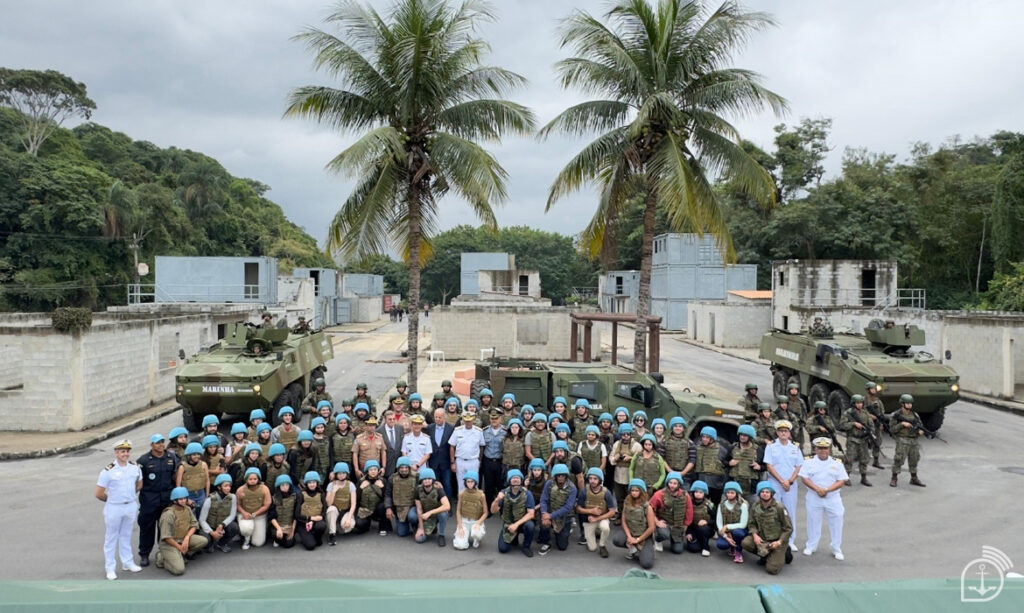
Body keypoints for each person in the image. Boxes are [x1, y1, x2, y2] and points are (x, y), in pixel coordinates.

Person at [96, 439, 143, 579]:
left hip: (130, 505)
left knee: (126, 535)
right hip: (114, 507)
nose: (125, 454)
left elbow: (139, 484)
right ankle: (110, 568)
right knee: (111, 538)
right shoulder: (108, 471)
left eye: (127, 451)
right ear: (116, 453)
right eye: (122, 451)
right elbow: (98, 493)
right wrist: (112, 500)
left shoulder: (135, 467)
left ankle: (127, 562)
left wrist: (128, 496)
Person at [800, 438, 848, 560]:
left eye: (825, 448)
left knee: (837, 522)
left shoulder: (837, 463)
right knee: (813, 521)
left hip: (832, 497)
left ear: (829, 449)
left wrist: (826, 490)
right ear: (815, 449)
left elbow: (841, 480)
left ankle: (836, 548)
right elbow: (804, 478)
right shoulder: (808, 462)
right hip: (814, 496)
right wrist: (817, 489)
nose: (823, 451)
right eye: (820, 448)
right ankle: (811, 545)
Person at [136, 433, 180, 567]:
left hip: (166, 499)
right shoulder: (143, 461)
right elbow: (138, 481)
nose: (161, 445)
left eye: (162, 442)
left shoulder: (171, 457)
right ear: (151, 445)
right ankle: (144, 554)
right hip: (149, 499)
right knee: (147, 528)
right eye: (157, 443)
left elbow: (175, 476)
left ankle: (163, 553)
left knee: (165, 528)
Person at [763, 419, 802, 552]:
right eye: (781, 431)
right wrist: (781, 481)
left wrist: (789, 481)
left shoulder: (795, 447)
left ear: (789, 433)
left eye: (785, 431)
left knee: (790, 512)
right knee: (774, 512)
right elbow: (769, 466)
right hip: (775, 483)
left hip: (790, 485)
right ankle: (774, 538)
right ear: (777, 432)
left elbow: (798, 466)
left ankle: (790, 540)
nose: (783, 433)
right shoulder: (771, 446)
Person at [740, 481, 794, 575]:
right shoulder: (755, 506)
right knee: (746, 543)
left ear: (771, 494)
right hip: (762, 539)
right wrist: (755, 535)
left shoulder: (779, 507)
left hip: (777, 541)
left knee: (772, 570)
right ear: (759, 493)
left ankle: (785, 552)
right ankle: (765, 555)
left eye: (767, 492)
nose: (765, 494)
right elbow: (751, 523)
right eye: (762, 492)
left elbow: (788, 528)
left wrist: (779, 542)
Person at [155, 487, 208, 575]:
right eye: (180, 499)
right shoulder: (168, 514)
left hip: (183, 539)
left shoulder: (187, 509)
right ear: (175, 500)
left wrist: (187, 538)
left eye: (185, 498)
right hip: (170, 543)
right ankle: (161, 558)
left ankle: (179, 555)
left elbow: (194, 525)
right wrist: (180, 548)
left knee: (203, 541)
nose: (183, 501)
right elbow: (166, 537)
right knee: (179, 570)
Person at [613, 479, 657, 569]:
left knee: (647, 564)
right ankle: (633, 548)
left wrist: (637, 540)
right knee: (617, 540)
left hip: (644, 536)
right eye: (632, 490)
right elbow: (624, 521)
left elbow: (651, 528)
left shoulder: (647, 507)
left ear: (641, 492)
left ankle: (645, 548)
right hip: (631, 532)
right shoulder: (627, 502)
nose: (634, 493)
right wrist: (629, 537)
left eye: (636, 491)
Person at [491, 469, 536, 557]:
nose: (515, 480)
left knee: (530, 526)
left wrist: (516, 524)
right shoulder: (504, 493)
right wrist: (497, 500)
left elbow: (531, 514)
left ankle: (526, 546)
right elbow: (493, 511)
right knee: (503, 549)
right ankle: (514, 538)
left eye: (518, 478)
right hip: (508, 524)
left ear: (521, 480)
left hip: (522, 523)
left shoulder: (527, 494)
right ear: (509, 481)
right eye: (513, 478)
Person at [575, 467, 616, 558]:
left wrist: (597, 518)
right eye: (590, 478)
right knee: (592, 548)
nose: (592, 481)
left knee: (605, 528)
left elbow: (612, 512)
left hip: (602, 518)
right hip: (588, 520)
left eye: (595, 479)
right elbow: (578, 508)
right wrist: (590, 511)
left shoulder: (606, 492)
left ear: (600, 480)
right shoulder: (584, 491)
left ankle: (602, 545)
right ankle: (596, 532)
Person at [537, 464, 577, 555]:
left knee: (562, 546)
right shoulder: (549, 483)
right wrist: (544, 513)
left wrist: (550, 516)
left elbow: (568, 507)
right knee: (544, 524)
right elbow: (543, 500)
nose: (561, 477)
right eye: (558, 475)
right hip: (549, 513)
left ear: (566, 476)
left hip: (564, 516)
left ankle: (567, 527)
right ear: (555, 476)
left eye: (563, 475)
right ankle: (546, 542)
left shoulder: (572, 488)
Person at [649, 471, 692, 555]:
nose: (672, 485)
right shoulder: (659, 494)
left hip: (678, 525)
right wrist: (656, 521)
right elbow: (649, 509)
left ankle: (674, 539)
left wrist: (685, 525)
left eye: (675, 483)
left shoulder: (685, 495)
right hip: (664, 523)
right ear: (667, 483)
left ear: (679, 484)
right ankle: (657, 539)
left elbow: (689, 511)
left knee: (678, 550)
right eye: (670, 483)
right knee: (664, 534)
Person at [889, 394, 927, 487]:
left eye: (911, 403)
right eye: (907, 403)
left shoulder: (915, 415)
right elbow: (892, 429)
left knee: (914, 459)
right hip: (902, 440)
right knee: (899, 459)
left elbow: (920, 426)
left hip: (913, 440)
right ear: (902, 404)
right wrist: (902, 424)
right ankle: (894, 478)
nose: (909, 405)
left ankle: (914, 478)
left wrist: (920, 432)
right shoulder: (896, 415)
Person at [839, 395, 875, 487]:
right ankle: (846, 477)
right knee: (849, 459)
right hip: (853, 439)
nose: (859, 405)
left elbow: (871, 424)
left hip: (863, 439)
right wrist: (853, 424)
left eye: (861, 403)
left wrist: (870, 432)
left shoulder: (865, 413)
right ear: (853, 403)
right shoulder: (848, 413)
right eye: (857, 403)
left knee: (864, 459)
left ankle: (863, 477)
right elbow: (842, 425)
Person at [199, 474, 238, 554]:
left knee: (234, 527)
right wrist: (212, 532)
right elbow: (202, 520)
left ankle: (221, 543)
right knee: (207, 542)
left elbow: (232, 515)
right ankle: (211, 542)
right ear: (219, 487)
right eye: (225, 486)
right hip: (210, 527)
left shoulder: (233, 497)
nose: (228, 488)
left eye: (229, 486)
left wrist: (222, 525)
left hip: (222, 525)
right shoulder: (209, 500)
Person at [412, 467, 450, 546]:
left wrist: (430, 512)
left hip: (435, 513)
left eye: (429, 478)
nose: (427, 480)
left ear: (433, 480)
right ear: (421, 481)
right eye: (424, 479)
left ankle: (441, 535)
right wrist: (421, 528)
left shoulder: (438, 489)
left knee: (443, 514)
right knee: (420, 539)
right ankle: (418, 527)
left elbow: (447, 506)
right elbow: (419, 509)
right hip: (424, 513)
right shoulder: (418, 490)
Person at [609, 424, 641, 519]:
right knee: (619, 498)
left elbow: (641, 459)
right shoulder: (616, 444)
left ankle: (631, 517)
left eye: (628, 434)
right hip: (618, 474)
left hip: (630, 475)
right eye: (623, 434)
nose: (625, 436)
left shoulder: (636, 445)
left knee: (631, 497)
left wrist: (631, 458)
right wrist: (615, 458)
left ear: (631, 434)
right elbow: (611, 459)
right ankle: (620, 515)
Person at [235, 467, 271, 549]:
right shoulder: (240, 490)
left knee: (258, 543)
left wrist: (256, 513)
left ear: (258, 479)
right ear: (246, 479)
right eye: (250, 479)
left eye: (255, 478)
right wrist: (244, 513)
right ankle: (246, 539)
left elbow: (267, 504)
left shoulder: (264, 489)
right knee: (246, 529)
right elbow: (237, 504)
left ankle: (255, 534)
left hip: (259, 516)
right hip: (245, 515)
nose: (253, 480)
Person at [449, 412, 484, 493]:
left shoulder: (479, 431)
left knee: (474, 484)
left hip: (473, 461)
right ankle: (461, 504)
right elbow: (452, 446)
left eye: (470, 421)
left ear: (473, 420)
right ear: (463, 421)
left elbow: (482, 446)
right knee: (461, 485)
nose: (468, 423)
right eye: (466, 421)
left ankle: (474, 504)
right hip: (460, 461)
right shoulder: (457, 431)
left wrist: (479, 460)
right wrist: (452, 462)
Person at [715, 481, 749, 564]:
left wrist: (727, 526)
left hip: (739, 530)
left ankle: (738, 552)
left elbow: (743, 524)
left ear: (737, 493)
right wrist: (726, 536)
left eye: (732, 493)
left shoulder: (743, 505)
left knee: (738, 534)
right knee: (721, 545)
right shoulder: (721, 505)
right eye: (728, 492)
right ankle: (732, 547)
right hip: (725, 531)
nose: (729, 494)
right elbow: (719, 523)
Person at [452, 471, 487, 550]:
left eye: (472, 481)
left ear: (475, 482)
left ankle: (477, 539)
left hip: (475, 521)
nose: (470, 484)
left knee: (477, 534)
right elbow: (458, 511)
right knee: (460, 545)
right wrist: (460, 527)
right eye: (468, 481)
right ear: (465, 482)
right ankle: (464, 537)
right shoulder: (462, 494)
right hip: (464, 521)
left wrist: (478, 523)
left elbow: (485, 512)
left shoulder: (481, 495)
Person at [385, 457, 419, 537]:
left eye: (406, 467)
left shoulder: (416, 477)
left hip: (412, 507)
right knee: (402, 533)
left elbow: (426, 483)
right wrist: (388, 508)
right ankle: (405, 523)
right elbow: (388, 495)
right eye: (401, 467)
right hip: (399, 509)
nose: (404, 469)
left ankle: (416, 525)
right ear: (398, 468)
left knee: (413, 517)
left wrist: (436, 483)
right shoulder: (392, 478)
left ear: (409, 468)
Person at [354, 460, 390, 535]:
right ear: (367, 471)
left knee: (382, 506)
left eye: (375, 469)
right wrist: (360, 488)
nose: (373, 472)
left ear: (378, 470)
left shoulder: (383, 481)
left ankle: (382, 527)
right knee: (359, 525)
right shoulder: (361, 481)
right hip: (365, 510)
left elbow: (387, 497)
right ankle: (367, 523)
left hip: (377, 510)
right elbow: (356, 498)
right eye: (371, 470)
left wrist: (382, 487)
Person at [325, 462, 357, 545]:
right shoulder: (331, 485)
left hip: (346, 510)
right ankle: (332, 534)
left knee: (347, 527)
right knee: (331, 509)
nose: (341, 475)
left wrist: (349, 518)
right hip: (335, 510)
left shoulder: (351, 485)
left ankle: (339, 526)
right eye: (339, 473)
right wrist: (333, 491)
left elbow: (353, 504)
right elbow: (329, 504)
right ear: (336, 474)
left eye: (343, 473)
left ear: (347, 474)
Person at [726, 424, 762, 499]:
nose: (742, 437)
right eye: (741, 435)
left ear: (750, 437)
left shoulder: (758, 450)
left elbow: (765, 466)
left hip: (751, 488)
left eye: (745, 436)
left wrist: (759, 467)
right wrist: (729, 463)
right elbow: (724, 462)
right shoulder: (732, 448)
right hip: (734, 486)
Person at [427, 407, 456, 498]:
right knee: (435, 484)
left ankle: (448, 506)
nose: (437, 419)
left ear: (444, 417)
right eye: (436, 417)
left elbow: (453, 446)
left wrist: (452, 461)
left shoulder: (451, 428)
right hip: (433, 462)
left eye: (439, 417)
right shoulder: (430, 428)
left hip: (446, 462)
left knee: (447, 484)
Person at [481, 408, 508, 506]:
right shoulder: (485, 431)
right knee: (488, 486)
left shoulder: (505, 432)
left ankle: (501, 508)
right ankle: (489, 508)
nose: (494, 421)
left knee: (501, 485)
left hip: (500, 462)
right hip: (488, 461)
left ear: (500, 419)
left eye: (496, 418)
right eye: (492, 419)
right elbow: (482, 447)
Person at [694, 426, 728, 503]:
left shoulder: (722, 450)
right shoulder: (697, 448)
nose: (704, 439)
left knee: (714, 505)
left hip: (715, 484)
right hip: (701, 482)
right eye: (703, 437)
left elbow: (727, 463)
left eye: (707, 437)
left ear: (712, 439)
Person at [175, 442, 209, 517]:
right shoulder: (182, 467)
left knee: (202, 516)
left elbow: (207, 481)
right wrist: (186, 499)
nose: (196, 456)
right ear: (189, 455)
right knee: (190, 516)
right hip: (189, 495)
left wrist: (207, 495)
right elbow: (178, 486)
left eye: (198, 454)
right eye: (194, 455)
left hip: (201, 494)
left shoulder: (203, 465)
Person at [295, 471, 327, 550]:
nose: (312, 484)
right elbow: (297, 514)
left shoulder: (321, 494)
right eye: (309, 482)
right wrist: (310, 519)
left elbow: (324, 510)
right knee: (310, 545)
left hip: (316, 521)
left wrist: (316, 519)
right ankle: (307, 536)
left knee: (321, 526)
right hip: (303, 522)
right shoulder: (301, 494)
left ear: (317, 483)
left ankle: (317, 537)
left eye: (314, 482)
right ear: (306, 483)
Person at [684, 480, 715, 556]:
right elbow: (686, 519)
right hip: (693, 529)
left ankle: (706, 547)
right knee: (693, 548)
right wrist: (688, 533)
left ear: (704, 493)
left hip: (706, 529)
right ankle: (698, 542)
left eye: (701, 492)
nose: (698, 494)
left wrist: (707, 522)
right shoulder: (688, 503)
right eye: (696, 492)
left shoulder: (709, 505)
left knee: (703, 529)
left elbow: (714, 520)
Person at [662, 416, 695, 486]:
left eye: (680, 426)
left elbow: (692, 460)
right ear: (672, 428)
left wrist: (683, 472)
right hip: (668, 475)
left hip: (685, 477)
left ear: (683, 428)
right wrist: (670, 471)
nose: (678, 428)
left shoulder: (690, 443)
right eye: (675, 426)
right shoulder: (665, 441)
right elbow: (661, 458)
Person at [353, 415, 386, 482]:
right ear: (365, 426)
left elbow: (383, 452)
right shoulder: (359, 438)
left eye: (373, 425)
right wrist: (356, 469)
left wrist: (383, 467)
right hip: (363, 468)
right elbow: (355, 454)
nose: (372, 427)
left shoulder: (380, 437)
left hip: (376, 468)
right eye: (370, 425)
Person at [268, 475, 297, 549]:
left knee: (288, 544)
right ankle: (276, 540)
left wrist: (292, 530)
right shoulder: (274, 498)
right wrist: (279, 529)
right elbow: (271, 516)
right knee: (278, 536)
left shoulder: (294, 497)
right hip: (278, 525)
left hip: (289, 525)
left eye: (287, 485)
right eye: (283, 485)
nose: (285, 487)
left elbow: (295, 515)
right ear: (278, 486)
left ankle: (283, 539)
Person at [864, 382, 886, 469]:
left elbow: (881, 413)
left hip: (876, 425)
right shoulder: (863, 400)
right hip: (866, 425)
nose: (874, 390)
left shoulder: (878, 401)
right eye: (872, 388)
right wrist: (869, 416)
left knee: (877, 442)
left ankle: (876, 461)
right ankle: (863, 463)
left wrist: (881, 423)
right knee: (864, 443)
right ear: (868, 389)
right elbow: (858, 412)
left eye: (875, 389)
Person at [378, 409, 405, 478]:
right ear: (385, 420)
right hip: (386, 464)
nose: (392, 421)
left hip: (399, 464)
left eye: (394, 419)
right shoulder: (379, 431)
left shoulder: (400, 428)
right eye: (390, 419)